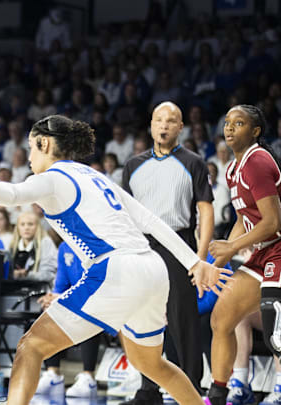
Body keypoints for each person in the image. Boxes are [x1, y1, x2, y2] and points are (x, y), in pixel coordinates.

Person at [0, 114, 230, 405]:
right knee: (152, 364)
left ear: (44, 143)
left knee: (30, 346)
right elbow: (150, 220)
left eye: (32, 148)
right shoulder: (94, 175)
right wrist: (193, 262)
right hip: (152, 268)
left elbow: (15, 193)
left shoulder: (53, 177)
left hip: (115, 269)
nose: (31, 157)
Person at [120, 101, 214, 404]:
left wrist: (198, 258)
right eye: (159, 120)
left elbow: (206, 210)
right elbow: (124, 213)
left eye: (170, 121)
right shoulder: (133, 165)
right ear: (151, 125)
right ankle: (148, 389)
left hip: (179, 245)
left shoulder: (194, 162)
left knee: (182, 320)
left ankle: (192, 390)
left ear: (180, 128)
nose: (164, 126)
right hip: (142, 247)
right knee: (143, 318)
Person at [206, 105, 281, 405]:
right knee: (221, 318)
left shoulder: (258, 161)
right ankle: (219, 395)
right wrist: (217, 262)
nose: (230, 128)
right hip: (262, 253)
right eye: (227, 123)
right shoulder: (232, 169)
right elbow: (242, 219)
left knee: (275, 330)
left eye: (239, 123)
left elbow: (274, 222)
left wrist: (233, 248)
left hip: (279, 249)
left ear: (255, 131)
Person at [36, 242, 100, 398]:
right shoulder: (65, 247)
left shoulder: (95, 242)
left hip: (99, 299)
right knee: (49, 309)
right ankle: (53, 374)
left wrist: (64, 296)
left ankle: (89, 377)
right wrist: (53, 297)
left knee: (88, 313)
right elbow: (61, 284)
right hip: (73, 299)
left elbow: (94, 282)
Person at [7, 211, 57, 283]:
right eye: (22, 224)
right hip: (14, 288)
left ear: (37, 227)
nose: (26, 228)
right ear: (17, 227)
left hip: (39, 288)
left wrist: (25, 274)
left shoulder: (46, 242)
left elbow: (48, 275)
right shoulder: (13, 245)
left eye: (30, 224)